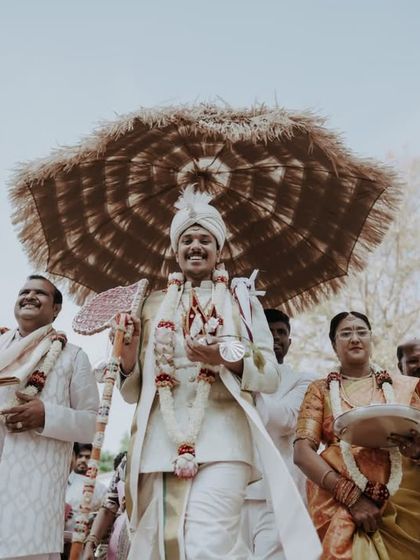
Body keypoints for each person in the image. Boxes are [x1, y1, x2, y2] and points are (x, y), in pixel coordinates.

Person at [116, 188, 320, 560]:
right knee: (156, 549)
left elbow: (269, 374)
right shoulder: (150, 305)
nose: (196, 246)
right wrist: (127, 356)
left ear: (219, 250)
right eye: (187, 240)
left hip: (225, 439)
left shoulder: (242, 300)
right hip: (160, 442)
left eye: (204, 240)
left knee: (208, 546)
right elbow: (132, 392)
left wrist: (224, 355)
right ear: (176, 250)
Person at [294, 311, 420, 560]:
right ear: (333, 344)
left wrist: (416, 450)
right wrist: (350, 497)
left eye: (361, 332)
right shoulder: (320, 389)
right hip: (341, 503)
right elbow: (301, 451)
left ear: (371, 340)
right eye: (346, 333)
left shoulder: (400, 387)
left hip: (405, 499)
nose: (355, 338)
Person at [0, 274, 99, 560]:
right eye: (24, 291)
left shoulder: (73, 356)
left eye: (40, 293)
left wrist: (47, 416)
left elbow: (94, 424)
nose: (29, 296)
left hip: (34, 510)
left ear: (56, 309)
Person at [242, 309, 316, 559]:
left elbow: (286, 419)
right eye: (268, 331)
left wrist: (246, 385)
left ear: (289, 342)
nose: (275, 337)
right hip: (233, 488)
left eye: (281, 332)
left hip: (277, 493)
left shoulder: (304, 381)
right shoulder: (228, 375)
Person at [83, 452, 129, 560]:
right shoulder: (127, 462)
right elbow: (108, 507)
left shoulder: (175, 458)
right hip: (122, 544)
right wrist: (90, 543)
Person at [65, 443, 108, 535]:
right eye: (80, 456)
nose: (83, 460)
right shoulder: (62, 480)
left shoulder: (100, 489)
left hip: (81, 541)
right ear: (74, 457)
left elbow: (104, 514)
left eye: (88, 457)